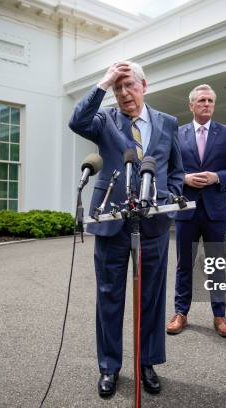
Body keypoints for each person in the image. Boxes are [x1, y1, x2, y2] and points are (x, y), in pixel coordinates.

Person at [68, 61, 183, 398]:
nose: (123, 93)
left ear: (144, 85)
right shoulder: (104, 119)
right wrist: (103, 82)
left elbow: (176, 169)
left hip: (154, 222)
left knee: (151, 297)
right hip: (110, 219)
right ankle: (109, 367)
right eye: (118, 88)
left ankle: (146, 363)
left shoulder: (168, 123)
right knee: (109, 296)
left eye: (128, 85)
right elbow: (77, 120)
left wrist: (168, 203)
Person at [166, 84, 226, 338]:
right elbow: (168, 171)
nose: (207, 104)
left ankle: (220, 315)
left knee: (216, 265)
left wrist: (216, 177)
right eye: (201, 100)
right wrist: (185, 179)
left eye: (210, 100)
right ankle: (181, 313)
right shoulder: (177, 134)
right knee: (184, 265)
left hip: (216, 211)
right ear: (191, 105)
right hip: (186, 209)